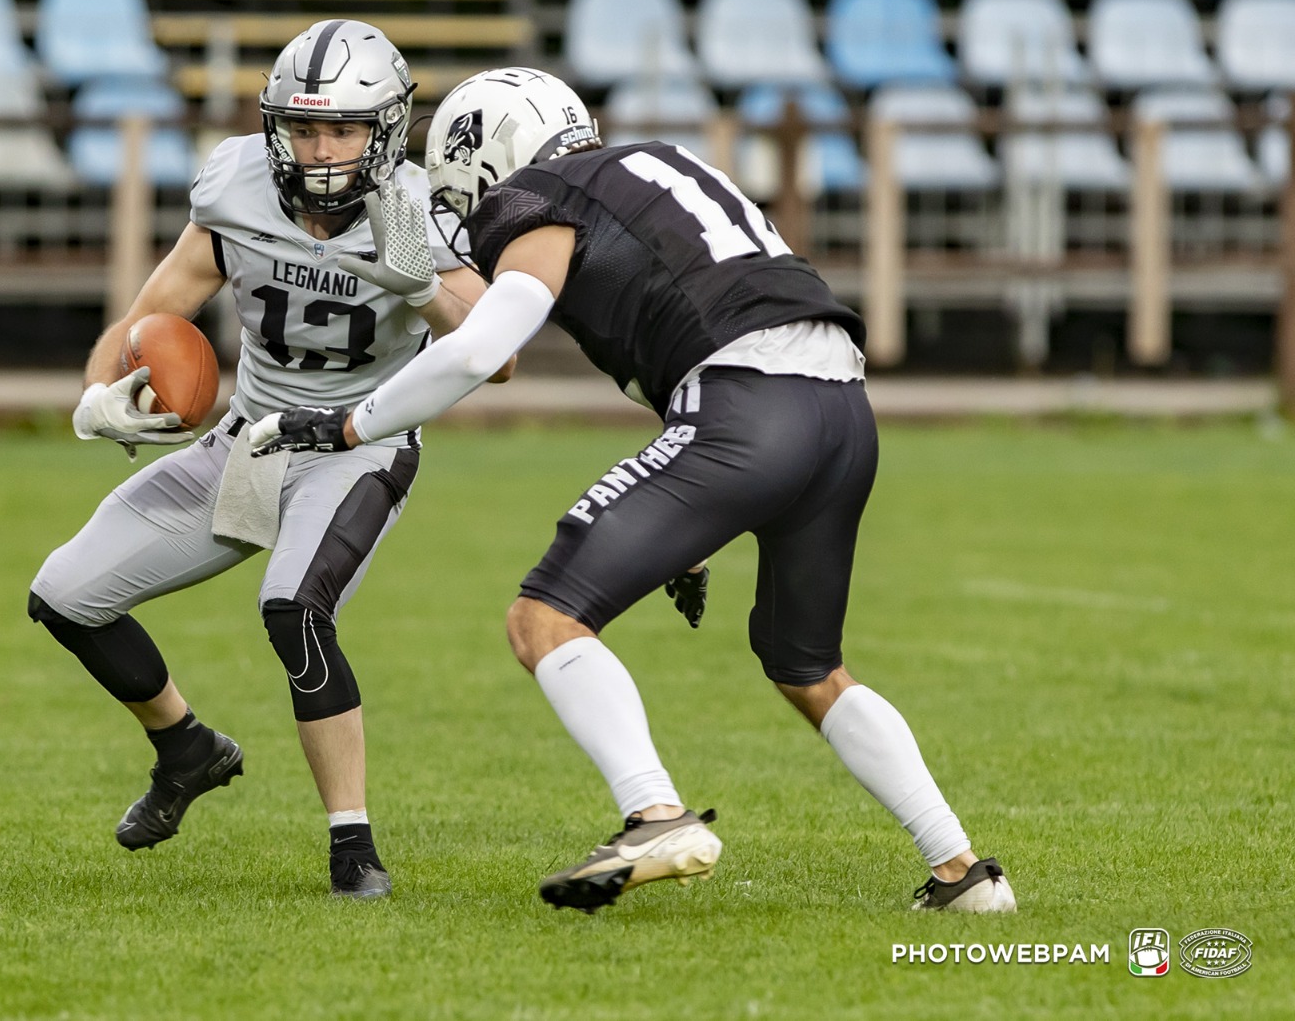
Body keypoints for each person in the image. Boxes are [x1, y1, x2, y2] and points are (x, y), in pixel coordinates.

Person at [250, 67, 1016, 914]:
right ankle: (964, 874)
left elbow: (481, 349)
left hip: (747, 409)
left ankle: (655, 815)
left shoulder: (543, 192)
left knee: (543, 618)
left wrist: (350, 425)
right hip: (840, 411)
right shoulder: (661, 166)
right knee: (807, 666)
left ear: (489, 152)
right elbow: (708, 315)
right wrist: (690, 528)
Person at [27, 21, 501, 899]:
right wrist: (99, 393)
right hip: (251, 437)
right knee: (64, 595)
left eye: (343, 129)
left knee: (293, 608)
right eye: (304, 127)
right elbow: (147, 316)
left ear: (385, 129)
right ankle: (186, 748)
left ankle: (352, 845)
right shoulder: (238, 186)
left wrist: (424, 286)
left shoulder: (419, 208)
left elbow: (496, 358)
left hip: (359, 443)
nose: (321, 151)